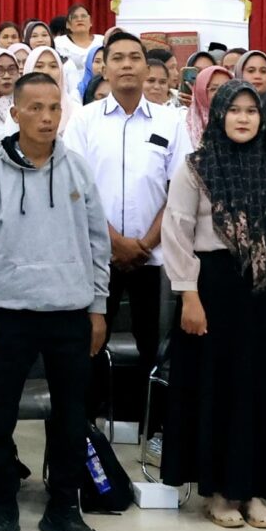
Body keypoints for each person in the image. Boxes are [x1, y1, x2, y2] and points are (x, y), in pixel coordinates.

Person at [0, 71, 108, 531]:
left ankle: (63, 506)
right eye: (36, 108)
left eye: (54, 108)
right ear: (15, 112)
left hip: (71, 312)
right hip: (9, 314)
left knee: (71, 417)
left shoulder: (77, 169)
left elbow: (97, 242)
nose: (47, 117)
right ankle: (3, 506)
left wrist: (98, 306)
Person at [161, 82, 266, 528]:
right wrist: (188, 294)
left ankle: (255, 489)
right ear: (219, 116)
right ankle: (219, 492)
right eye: (235, 110)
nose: (243, 118)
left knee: (262, 387)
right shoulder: (197, 167)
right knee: (217, 387)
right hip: (212, 289)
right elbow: (177, 230)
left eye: (251, 110)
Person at [60, 30, 177, 425]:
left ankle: (153, 431)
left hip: (154, 258)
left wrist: (144, 243)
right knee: (89, 346)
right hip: (96, 258)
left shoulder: (171, 121)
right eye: (118, 58)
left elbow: (179, 191)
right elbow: (74, 189)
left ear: (147, 67)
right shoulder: (84, 121)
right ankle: (85, 433)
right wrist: (114, 242)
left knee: (155, 350)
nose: (127, 64)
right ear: (104, 68)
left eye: (134, 57)